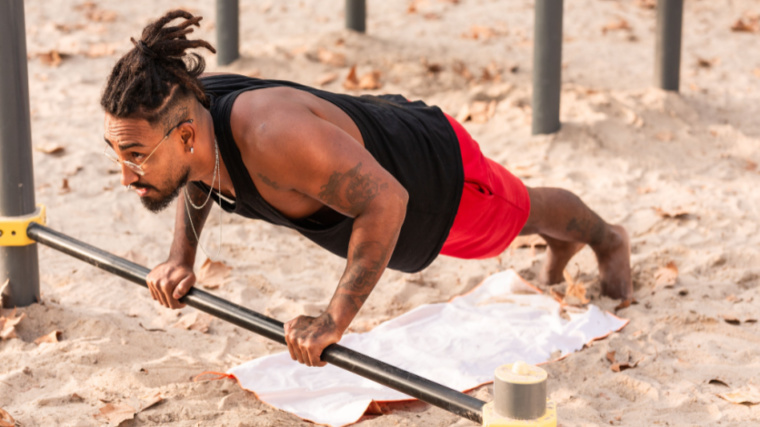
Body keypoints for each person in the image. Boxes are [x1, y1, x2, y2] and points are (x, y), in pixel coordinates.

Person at [101, 10, 632, 367]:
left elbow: (387, 201)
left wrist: (335, 320)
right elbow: (197, 173)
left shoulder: (271, 137)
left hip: (435, 176)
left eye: (135, 156)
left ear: (186, 134)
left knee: (518, 213)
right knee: (520, 214)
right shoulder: (193, 126)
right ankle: (565, 240)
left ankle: (607, 239)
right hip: (376, 140)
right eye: (118, 153)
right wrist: (181, 256)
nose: (126, 175)